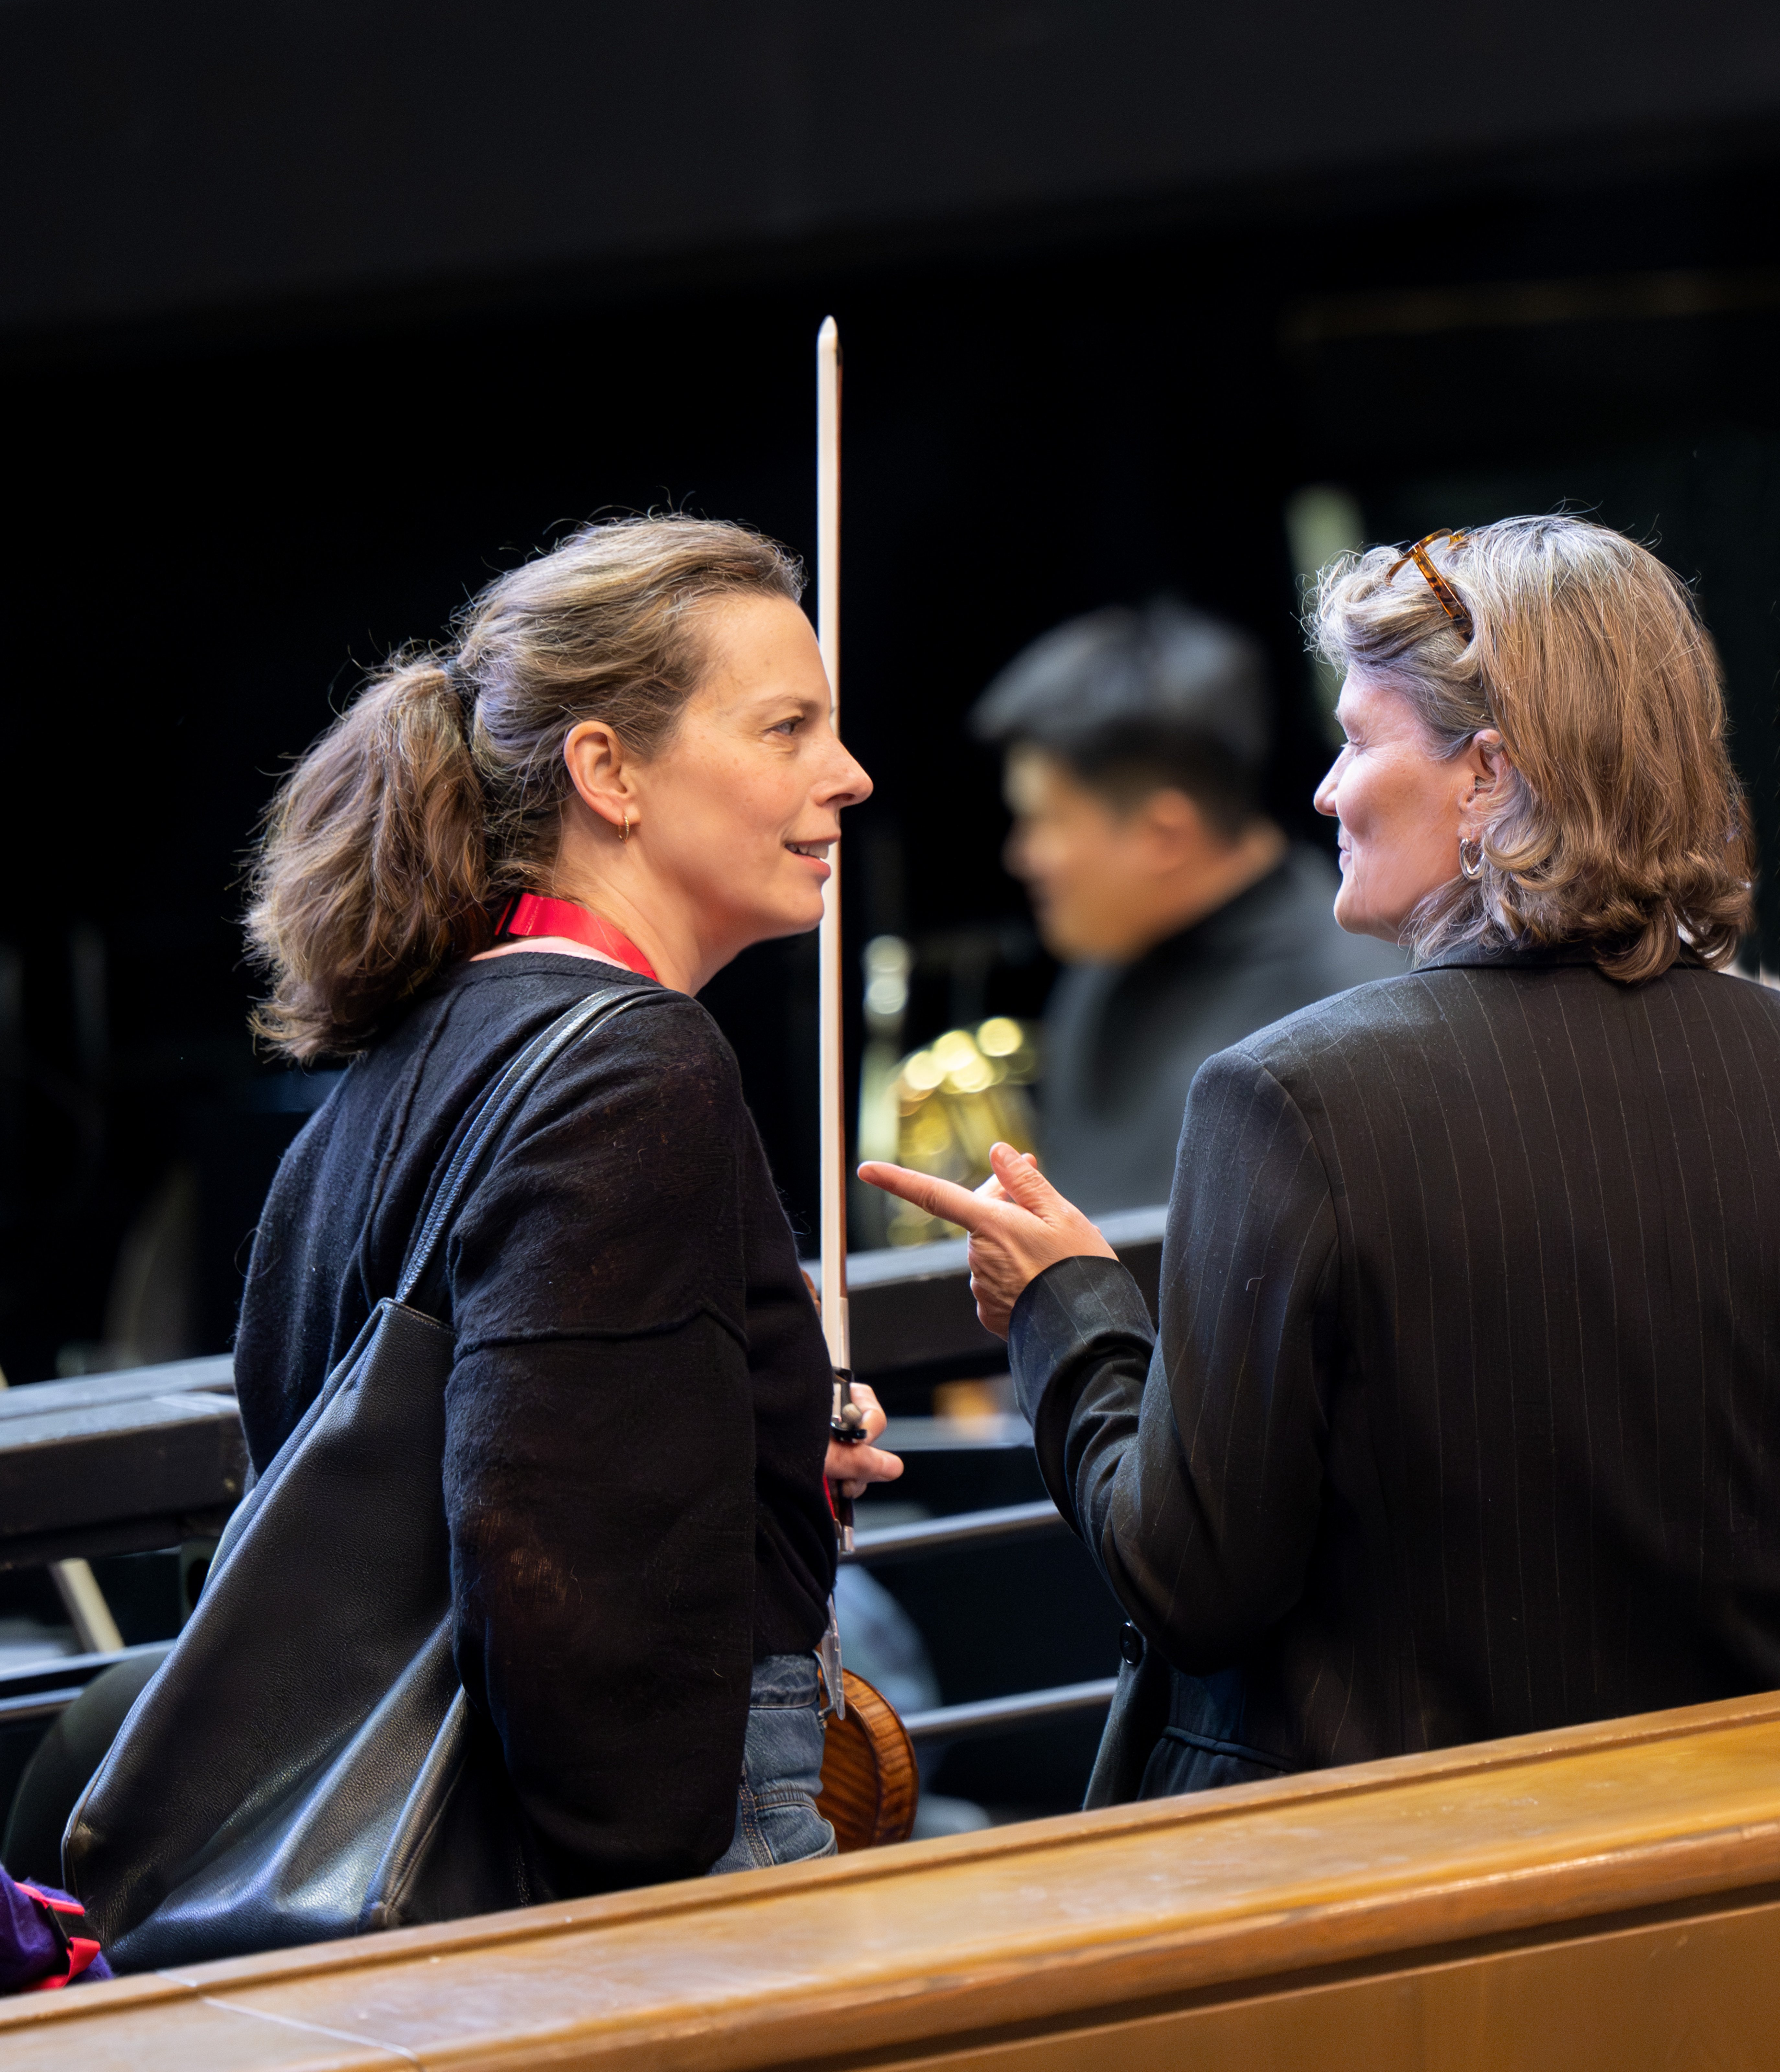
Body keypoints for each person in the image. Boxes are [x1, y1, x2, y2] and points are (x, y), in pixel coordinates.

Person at [864, 515, 1780, 1801]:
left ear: (1488, 775)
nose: (1323, 791)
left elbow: (1193, 1581)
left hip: (1392, 1898)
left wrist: (1067, 1308)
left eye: (1355, 741)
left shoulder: (1291, 1097)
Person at [235, 514, 901, 1897]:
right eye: (787, 727)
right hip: (629, 1870)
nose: (847, 774)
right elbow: (543, 1562)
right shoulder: (632, 1066)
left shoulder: (402, 1063)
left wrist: (755, 1449)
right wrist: (651, 1905)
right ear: (607, 767)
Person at [970, 599, 1400, 1213]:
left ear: (1163, 836)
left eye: (1043, 821)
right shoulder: (1100, 977)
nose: (1022, 856)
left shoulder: (1363, 1004)